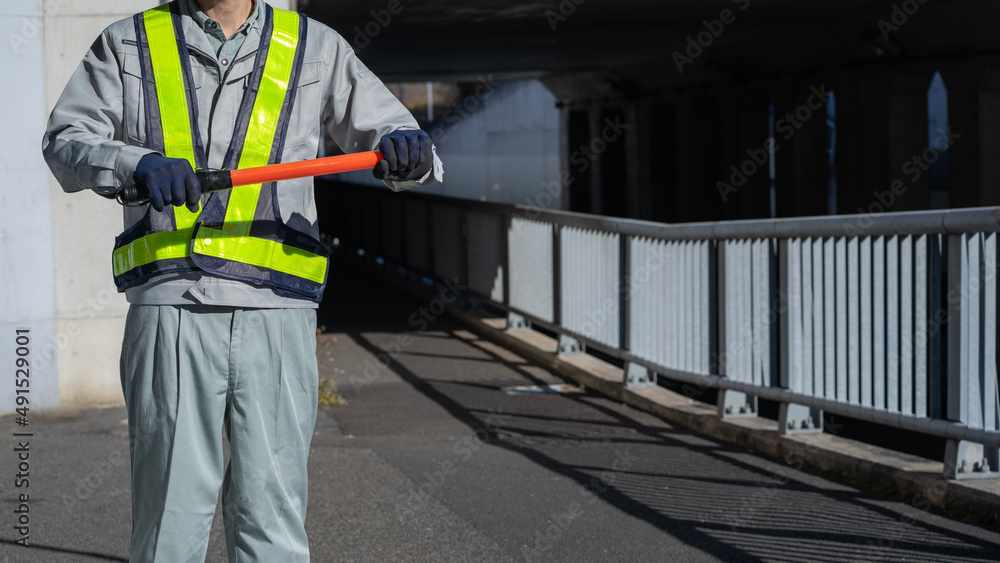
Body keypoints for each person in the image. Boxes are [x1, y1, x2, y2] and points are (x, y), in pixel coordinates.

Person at [42, 0, 442, 560]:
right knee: (169, 523)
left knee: (270, 518)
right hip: (173, 308)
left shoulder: (314, 46)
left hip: (278, 312)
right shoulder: (129, 41)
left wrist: (410, 152)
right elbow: (65, 141)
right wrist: (135, 162)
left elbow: (401, 140)